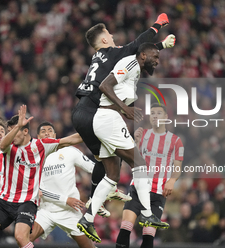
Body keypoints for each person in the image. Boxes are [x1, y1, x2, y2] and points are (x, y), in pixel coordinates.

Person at [72, 14, 174, 216]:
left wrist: (161, 45)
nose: (112, 36)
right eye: (108, 34)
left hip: (80, 110)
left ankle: (99, 198)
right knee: (128, 160)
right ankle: (142, 210)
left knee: (108, 159)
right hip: (94, 110)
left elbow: (140, 53)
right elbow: (138, 47)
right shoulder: (111, 53)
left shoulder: (97, 57)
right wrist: (158, 25)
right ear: (103, 40)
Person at [0, 105, 83, 248]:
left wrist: (93, 130)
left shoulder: (41, 146)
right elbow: (2, 144)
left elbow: (71, 139)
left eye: (14, 131)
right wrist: (17, 127)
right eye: (9, 132)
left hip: (27, 202)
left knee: (21, 237)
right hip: (5, 200)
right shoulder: (9, 147)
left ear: (26, 131)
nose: (10, 135)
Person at [17, 121, 107, 248]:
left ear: (55, 134)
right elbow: (36, 189)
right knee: (25, 240)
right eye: (43, 131)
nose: (47, 132)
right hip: (46, 209)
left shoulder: (70, 151)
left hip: (70, 211)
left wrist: (109, 176)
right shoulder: (33, 156)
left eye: (50, 130)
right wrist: (65, 199)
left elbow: (94, 169)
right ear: (37, 137)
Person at [116, 103, 184, 248]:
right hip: (138, 188)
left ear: (166, 117)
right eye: (152, 113)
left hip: (158, 194)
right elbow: (132, 160)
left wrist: (172, 181)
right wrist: (137, 142)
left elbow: (178, 167)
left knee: (148, 235)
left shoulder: (175, 141)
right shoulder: (142, 134)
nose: (155, 115)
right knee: (126, 227)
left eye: (159, 113)